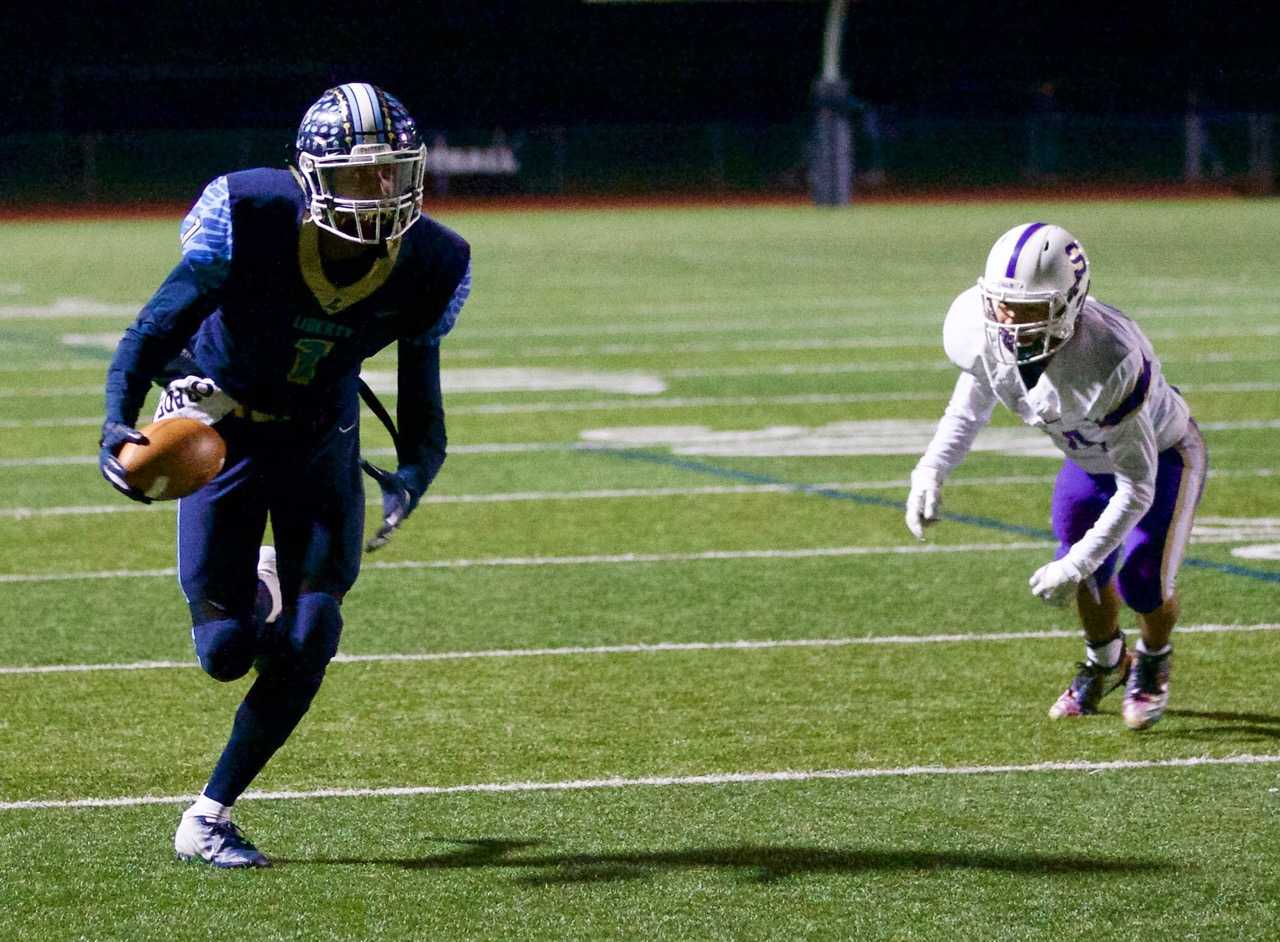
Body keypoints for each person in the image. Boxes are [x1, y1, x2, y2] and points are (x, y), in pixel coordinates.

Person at [98, 83, 472, 867]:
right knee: (224, 652)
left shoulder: (432, 258)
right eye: (361, 173)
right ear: (310, 176)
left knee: (312, 634)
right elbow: (153, 326)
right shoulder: (252, 215)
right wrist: (116, 419)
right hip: (223, 435)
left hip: (320, 443)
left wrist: (413, 474)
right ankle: (257, 590)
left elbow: (423, 406)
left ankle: (208, 817)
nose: (380, 190)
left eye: (392, 172)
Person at [904, 223, 1206, 731]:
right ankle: (1107, 660)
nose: (1010, 320)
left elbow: (1137, 488)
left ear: (1070, 301)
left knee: (1142, 582)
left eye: (1028, 309)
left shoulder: (1109, 357)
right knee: (1083, 562)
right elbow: (969, 405)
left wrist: (1075, 564)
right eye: (1002, 304)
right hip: (1087, 459)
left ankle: (1153, 657)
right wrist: (931, 468)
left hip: (1161, 458)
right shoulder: (981, 329)